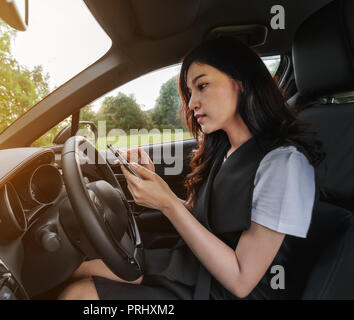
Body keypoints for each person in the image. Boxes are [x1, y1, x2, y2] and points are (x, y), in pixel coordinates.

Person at [58, 37, 325, 300]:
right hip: (197, 266)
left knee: (78, 295)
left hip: (226, 290)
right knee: (76, 268)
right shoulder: (223, 148)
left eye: (203, 86)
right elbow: (206, 220)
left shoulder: (285, 164)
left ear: (241, 82)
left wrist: (167, 205)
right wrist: (156, 186)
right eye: (189, 92)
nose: (192, 102)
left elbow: (242, 280)